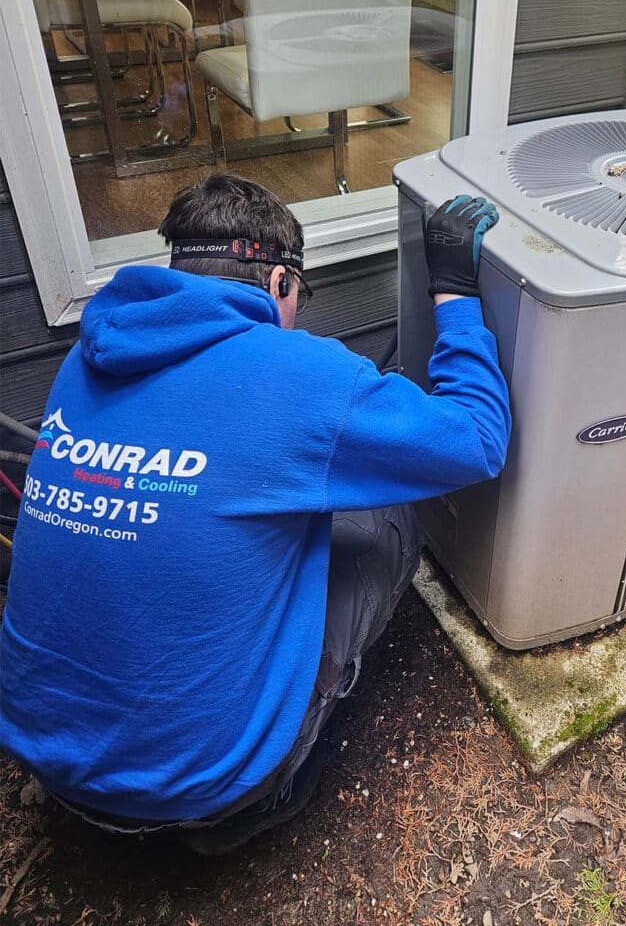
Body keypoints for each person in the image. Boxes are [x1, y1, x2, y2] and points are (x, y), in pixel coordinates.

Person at [0, 173, 510, 854]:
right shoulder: (299, 376)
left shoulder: (87, 356)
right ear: (278, 282)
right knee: (386, 514)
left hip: (45, 754)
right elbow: (477, 439)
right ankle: (270, 785)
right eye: (302, 295)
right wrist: (456, 289)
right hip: (201, 793)